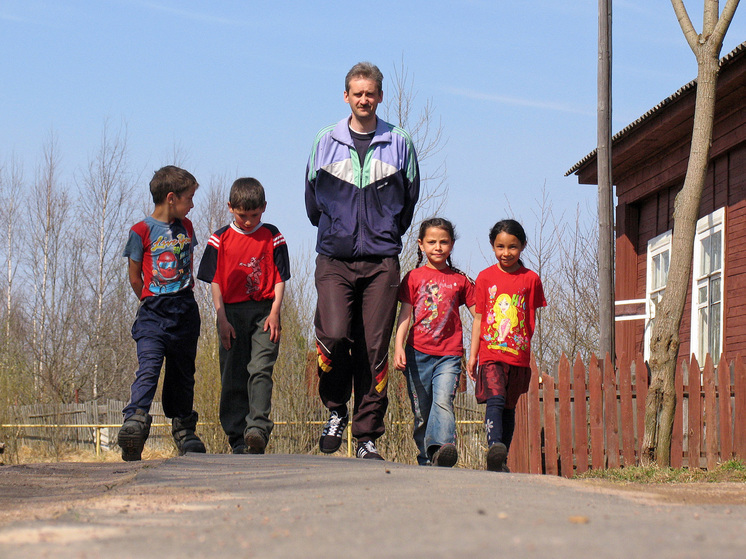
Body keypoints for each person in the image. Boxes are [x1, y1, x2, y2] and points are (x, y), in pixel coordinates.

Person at [305, 61, 420, 460]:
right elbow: (312, 203)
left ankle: (367, 437)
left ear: (380, 97)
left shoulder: (399, 141)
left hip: (380, 262)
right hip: (334, 259)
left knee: (374, 350)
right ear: (346, 96)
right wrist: (338, 229)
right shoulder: (325, 140)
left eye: (370, 93)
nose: (364, 99)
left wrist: (384, 231)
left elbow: (408, 203)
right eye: (357, 93)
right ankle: (336, 410)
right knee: (335, 336)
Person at [118, 165, 205, 461]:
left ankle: (184, 431)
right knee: (149, 368)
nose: (192, 205)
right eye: (189, 198)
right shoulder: (140, 231)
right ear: (171, 198)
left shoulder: (187, 227)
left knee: (183, 373)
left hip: (184, 312)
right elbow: (134, 276)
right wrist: (149, 299)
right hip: (153, 314)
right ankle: (135, 424)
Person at [197, 178, 290, 454]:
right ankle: (237, 437)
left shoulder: (273, 236)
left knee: (260, 369)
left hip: (264, 313)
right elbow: (214, 280)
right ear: (230, 208)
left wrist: (275, 312)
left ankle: (257, 429)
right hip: (231, 313)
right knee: (233, 373)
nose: (249, 221)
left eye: (254, 215)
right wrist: (221, 318)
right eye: (242, 215)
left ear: (263, 208)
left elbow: (281, 278)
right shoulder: (220, 238)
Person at [393, 218, 475, 467]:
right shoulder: (413, 277)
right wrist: (398, 346)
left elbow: (479, 315)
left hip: (449, 354)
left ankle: (442, 448)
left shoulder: (460, 280)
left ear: (451, 245)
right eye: (432, 242)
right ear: (420, 245)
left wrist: (481, 350)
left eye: (444, 242)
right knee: (422, 412)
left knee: (443, 401)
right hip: (417, 354)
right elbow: (405, 314)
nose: (437, 247)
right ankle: (426, 457)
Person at [466, 219, 546, 472]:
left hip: (518, 356)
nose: (506, 253)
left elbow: (530, 317)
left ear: (522, 246)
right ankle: (494, 447)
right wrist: (473, 355)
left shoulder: (531, 279)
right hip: (491, 354)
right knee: (496, 399)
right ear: (492, 246)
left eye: (512, 247)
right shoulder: (485, 277)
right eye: (500, 247)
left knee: (509, 407)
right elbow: (479, 317)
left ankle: (500, 460)